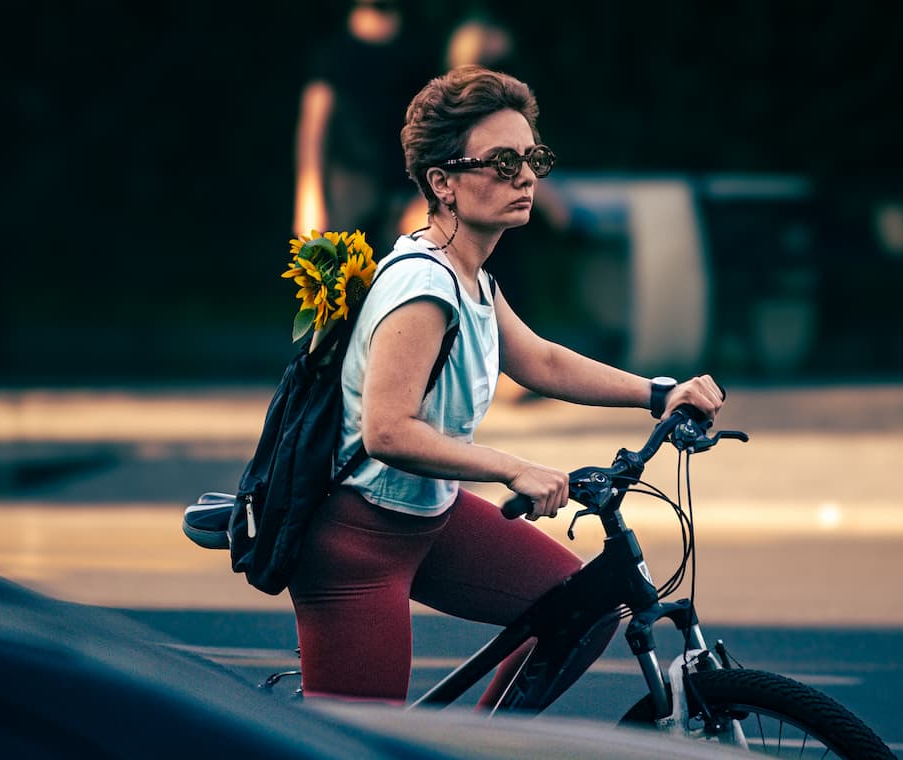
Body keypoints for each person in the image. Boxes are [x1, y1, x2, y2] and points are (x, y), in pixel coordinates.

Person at [287, 65, 725, 705]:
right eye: (501, 162)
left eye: (532, 158)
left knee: (583, 606)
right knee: (358, 743)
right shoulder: (421, 287)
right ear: (443, 183)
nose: (525, 177)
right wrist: (511, 468)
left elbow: (540, 362)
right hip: (359, 543)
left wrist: (659, 393)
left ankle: (481, 743)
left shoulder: (472, 276)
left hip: (432, 520)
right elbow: (388, 430)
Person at [292, 0, 437, 253]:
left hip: (405, 188)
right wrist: (308, 198)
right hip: (347, 191)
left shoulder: (420, 48)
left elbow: (435, 125)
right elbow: (313, 129)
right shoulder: (334, 52)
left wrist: (426, 195)